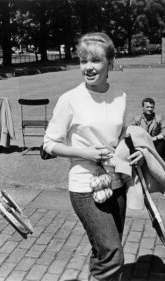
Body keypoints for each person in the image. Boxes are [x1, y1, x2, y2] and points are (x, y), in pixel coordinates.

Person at [43, 32, 143, 281]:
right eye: (83, 61)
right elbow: (49, 144)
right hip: (84, 185)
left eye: (95, 61)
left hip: (116, 182)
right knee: (112, 251)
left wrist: (134, 153)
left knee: (104, 250)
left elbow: (121, 137)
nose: (87, 67)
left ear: (110, 63)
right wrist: (84, 152)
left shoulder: (120, 96)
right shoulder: (70, 99)